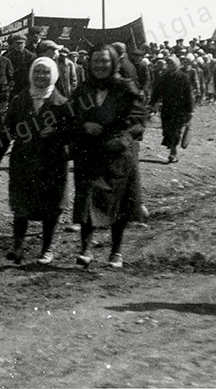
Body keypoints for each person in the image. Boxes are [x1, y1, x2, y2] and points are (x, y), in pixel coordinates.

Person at [69, 44, 148, 268]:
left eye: (104, 61)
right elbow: (70, 116)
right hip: (89, 151)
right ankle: (86, 249)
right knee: (86, 198)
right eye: (96, 61)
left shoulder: (125, 88)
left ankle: (116, 252)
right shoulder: (84, 90)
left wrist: (121, 139)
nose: (100, 66)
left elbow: (139, 118)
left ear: (113, 62)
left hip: (117, 153)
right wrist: (84, 125)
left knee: (119, 202)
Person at [0, 57, 73, 265]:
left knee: (51, 207)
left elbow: (73, 134)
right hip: (24, 160)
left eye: (45, 72)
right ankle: (17, 247)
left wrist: (56, 133)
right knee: (21, 206)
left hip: (52, 162)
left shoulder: (62, 104)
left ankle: (47, 249)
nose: (41, 76)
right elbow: (7, 130)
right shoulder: (21, 100)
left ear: (53, 75)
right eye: (37, 72)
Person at [5, 32, 36, 97]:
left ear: (25, 43)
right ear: (13, 44)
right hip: (14, 85)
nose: (19, 45)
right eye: (17, 43)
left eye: (21, 43)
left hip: (26, 84)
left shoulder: (31, 56)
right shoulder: (8, 57)